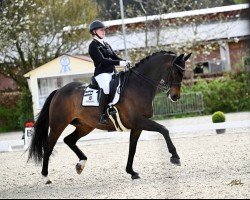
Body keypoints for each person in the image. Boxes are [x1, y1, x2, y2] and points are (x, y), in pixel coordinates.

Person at [88, 20, 131, 124]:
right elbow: (102, 60)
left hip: (112, 72)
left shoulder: (106, 44)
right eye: (101, 30)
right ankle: (102, 114)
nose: (103, 32)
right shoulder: (93, 46)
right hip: (102, 73)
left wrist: (125, 61)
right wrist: (120, 63)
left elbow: (114, 57)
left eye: (104, 30)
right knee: (107, 88)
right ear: (94, 32)